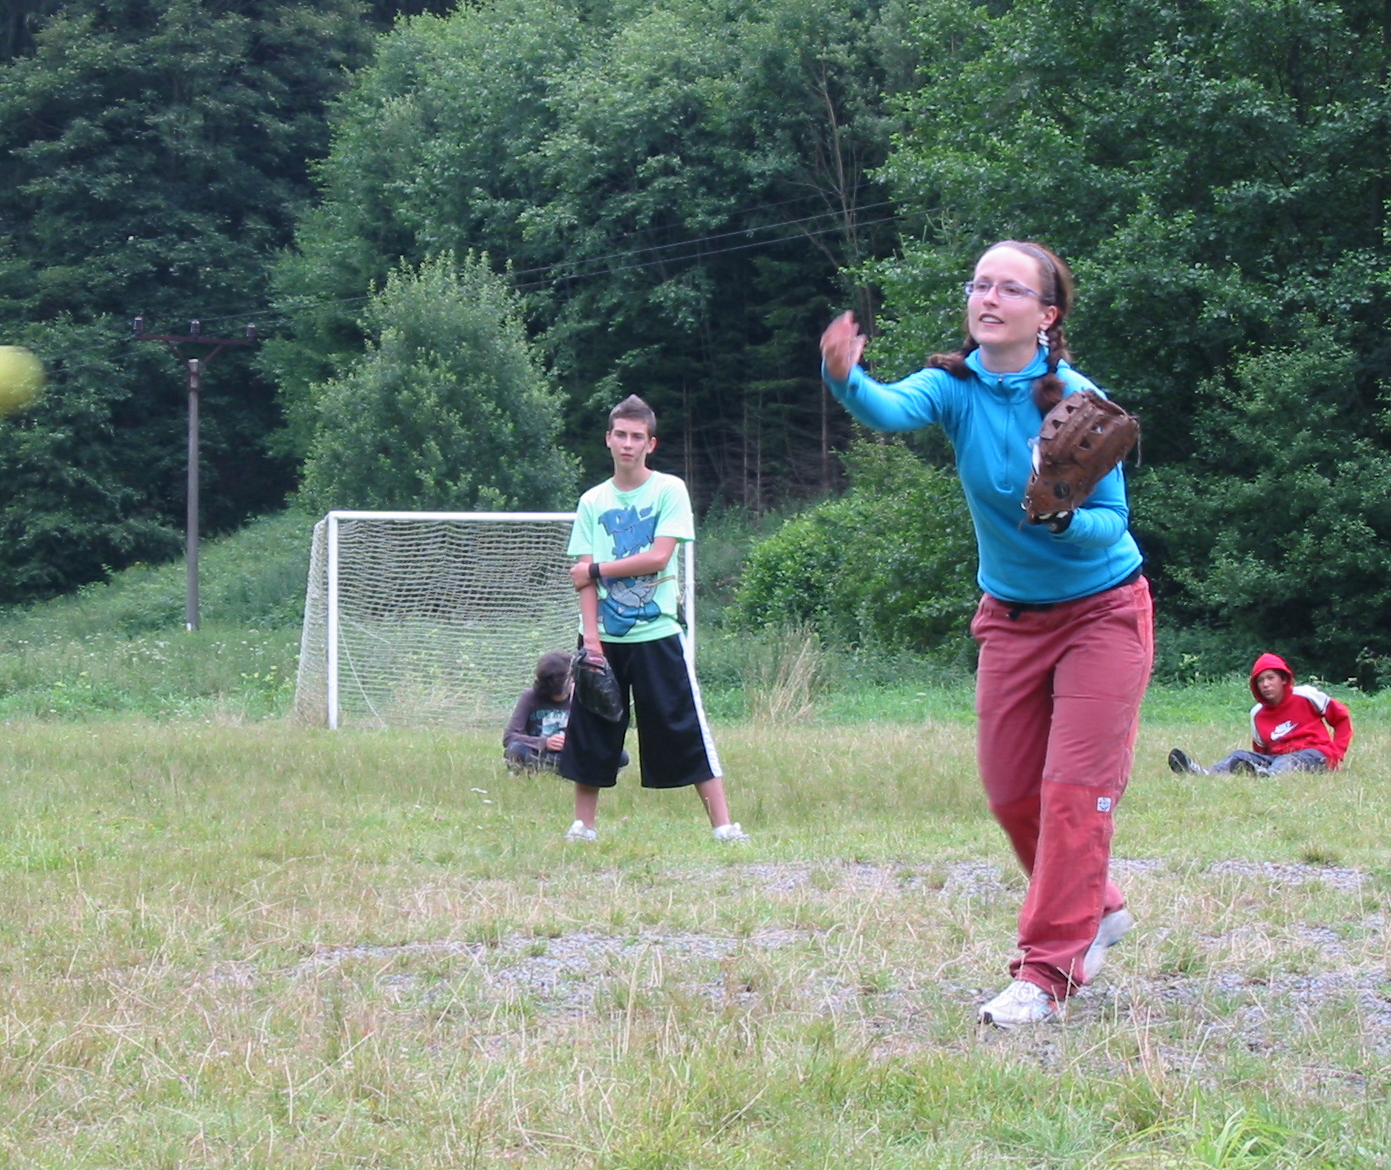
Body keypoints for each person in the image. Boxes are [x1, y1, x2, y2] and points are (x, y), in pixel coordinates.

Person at [818, 240, 1152, 1027]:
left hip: (1102, 614)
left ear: (1047, 315)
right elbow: (888, 409)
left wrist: (1062, 518)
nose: (989, 297)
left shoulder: (1078, 400)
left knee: (1073, 796)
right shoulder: (954, 386)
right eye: (980, 284)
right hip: (1010, 618)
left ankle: (1046, 973)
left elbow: (1113, 525)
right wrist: (844, 377)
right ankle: (1099, 905)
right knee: (1011, 795)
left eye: (1010, 288)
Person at [558, 394, 746, 843]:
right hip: (604, 637)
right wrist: (592, 642)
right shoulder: (592, 501)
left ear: (650, 443)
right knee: (593, 728)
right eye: (621, 435)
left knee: (683, 725)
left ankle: (723, 827)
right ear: (608, 439)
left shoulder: (668, 490)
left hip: (658, 633)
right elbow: (581, 577)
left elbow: (659, 557)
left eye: (637, 437)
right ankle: (583, 826)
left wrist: (598, 570)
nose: (628, 444)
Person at [1169, 653, 1352, 776]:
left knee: (1289, 761)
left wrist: (1337, 754)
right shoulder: (1257, 714)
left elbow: (1342, 719)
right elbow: (1261, 750)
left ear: (1283, 679)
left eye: (1271, 678)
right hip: (1276, 759)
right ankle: (1204, 773)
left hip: (1315, 754)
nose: (1265, 684)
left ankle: (1270, 776)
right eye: (1260, 680)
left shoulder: (1306, 695)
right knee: (1240, 755)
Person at [503, 651, 573, 773]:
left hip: (571, 756)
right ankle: (551, 769)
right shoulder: (530, 696)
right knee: (515, 749)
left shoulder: (581, 698)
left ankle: (558, 769)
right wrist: (545, 743)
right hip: (539, 754)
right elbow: (509, 736)